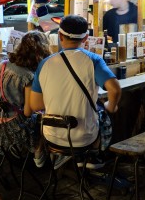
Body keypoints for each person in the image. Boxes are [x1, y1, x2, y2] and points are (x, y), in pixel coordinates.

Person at [30, 15, 122, 169]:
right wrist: (111, 106)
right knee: (103, 112)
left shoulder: (45, 63)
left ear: (60, 36)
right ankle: (93, 155)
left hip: (52, 136)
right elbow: (115, 89)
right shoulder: (94, 60)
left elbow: (35, 105)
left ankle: (47, 155)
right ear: (86, 38)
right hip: (85, 138)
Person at [0, 31, 51, 167]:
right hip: (13, 128)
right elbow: (27, 113)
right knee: (43, 119)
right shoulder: (29, 76)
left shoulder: (3, 65)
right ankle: (38, 155)